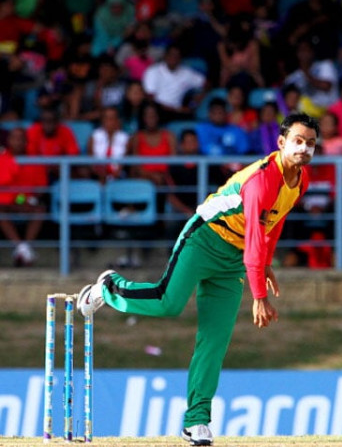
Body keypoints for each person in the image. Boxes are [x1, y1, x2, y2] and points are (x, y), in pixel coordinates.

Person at [76, 113, 320, 447]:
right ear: (281, 143)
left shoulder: (302, 179)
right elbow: (254, 236)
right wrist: (259, 296)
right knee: (167, 303)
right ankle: (109, 287)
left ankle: (196, 421)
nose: (304, 148)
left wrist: (265, 264)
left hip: (233, 260)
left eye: (310, 143)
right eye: (298, 141)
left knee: (214, 340)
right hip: (204, 239)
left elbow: (273, 223)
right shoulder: (263, 179)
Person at [0, 127, 46, 266]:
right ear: (9, 141)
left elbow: (41, 188)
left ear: (26, 141)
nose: (18, 142)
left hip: (27, 202)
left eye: (21, 139)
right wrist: (18, 199)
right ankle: (23, 249)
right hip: (7, 203)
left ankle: (22, 249)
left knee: (40, 209)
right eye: (14, 138)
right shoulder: (2, 159)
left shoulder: (35, 160)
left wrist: (25, 199)